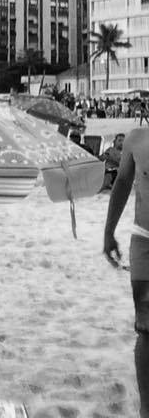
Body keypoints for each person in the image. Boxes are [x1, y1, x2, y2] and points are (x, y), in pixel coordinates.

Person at [105, 128, 149, 417]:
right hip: (145, 242)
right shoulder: (137, 139)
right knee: (146, 328)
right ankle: (146, 408)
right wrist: (108, 232)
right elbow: (121, 183)